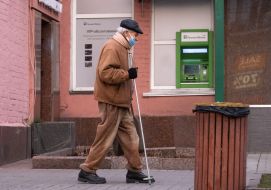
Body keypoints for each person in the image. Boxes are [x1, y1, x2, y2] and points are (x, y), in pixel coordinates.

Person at [77, 19, 155, 184]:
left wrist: (130, 73)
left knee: (131, 137)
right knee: (105, 138)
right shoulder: (112, 46)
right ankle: (87, 170)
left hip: (123, 101)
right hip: (111, 101)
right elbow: (105, 73)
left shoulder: (126, 48)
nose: (137, 38)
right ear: (126, 33)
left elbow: (124, 71)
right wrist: (127, 74)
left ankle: (134, 171)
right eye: (135, 34)